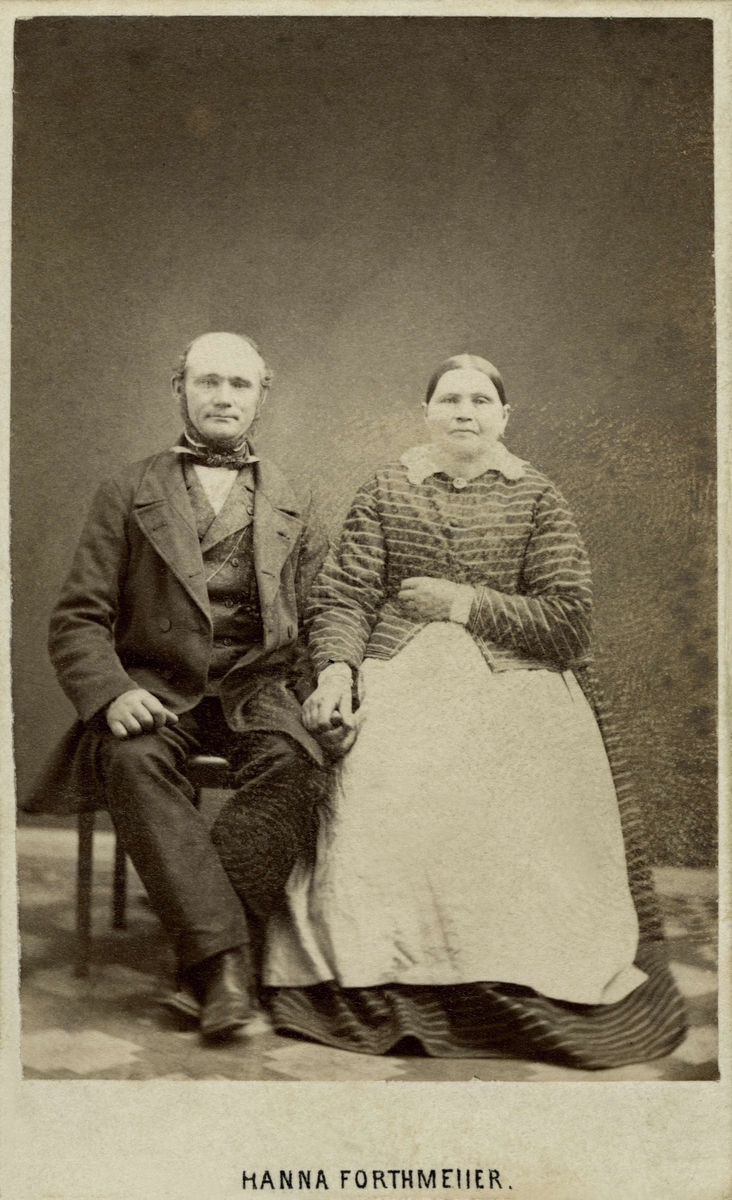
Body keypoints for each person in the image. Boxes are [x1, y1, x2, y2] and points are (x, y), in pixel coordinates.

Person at [263, 353, 687, 1069]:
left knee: (515, 790)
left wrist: (463, 603)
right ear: (426, 413)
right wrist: (336, 672)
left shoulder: (538, 496)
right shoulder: (386, 489)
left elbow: (568, 620)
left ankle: (511, 973)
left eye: (481, 400)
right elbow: (344, 596)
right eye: (450, 399)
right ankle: (388, 968)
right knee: (380, 780)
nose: (465, 411)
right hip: (398, 674)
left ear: (504, 416)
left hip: (517, 681)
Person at [24, 331, 331, 1041]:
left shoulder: (296, 498)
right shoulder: (128, 489)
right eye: (207, 381)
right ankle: (225, 968)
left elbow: (320, 616)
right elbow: (78, 618)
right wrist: (111, 692)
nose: (223, 396)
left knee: (295, 763)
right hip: (158, 689)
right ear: (179, 390)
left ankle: (201, 963)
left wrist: (329, 686)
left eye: (239, 384)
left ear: (262, 396)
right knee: (130, 759)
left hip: (257, 688)